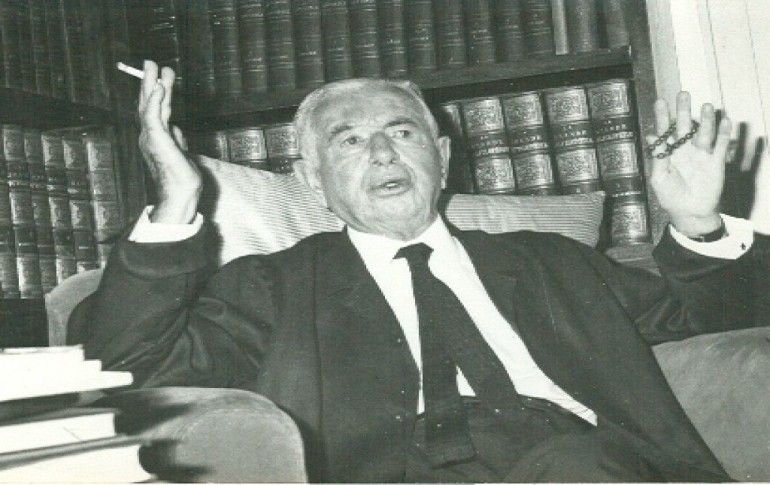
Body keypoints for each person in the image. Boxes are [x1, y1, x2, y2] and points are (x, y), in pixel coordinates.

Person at [68, 60, 759, 482]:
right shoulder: (271, 287)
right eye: (349, 140)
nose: (382, 153)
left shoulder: (550, 262)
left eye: (400, 132)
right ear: (313, 181)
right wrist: (176, 200)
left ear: (443, 157)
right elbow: (124, 364)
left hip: (570, 460)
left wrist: (699, 221)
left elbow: (721, 320)